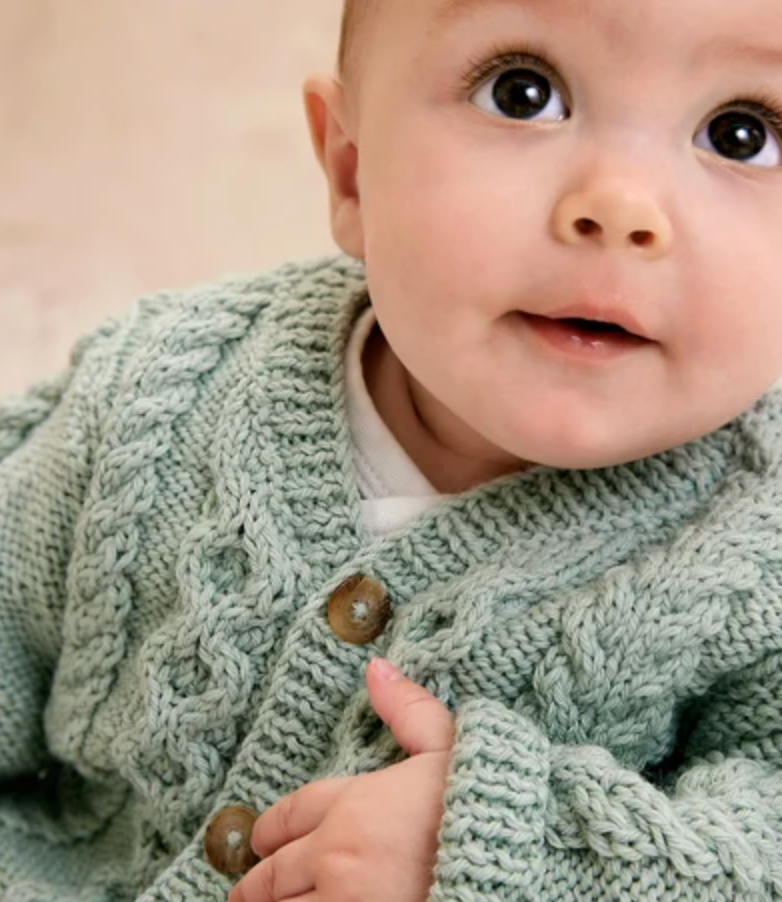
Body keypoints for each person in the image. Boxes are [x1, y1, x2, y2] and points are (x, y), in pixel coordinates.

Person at [2, 0, 782, 898]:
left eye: (743, 134)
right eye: (522, 93)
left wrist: (512, 852)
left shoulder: (754, 553)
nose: (619, 206)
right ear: (351, 172)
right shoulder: (157, 394)